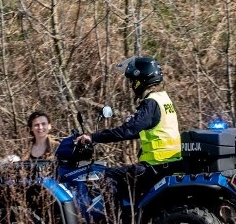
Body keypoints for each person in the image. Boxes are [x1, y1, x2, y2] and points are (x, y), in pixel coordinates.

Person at [75, 56, 181, 209]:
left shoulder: (150, 103)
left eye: (133, 81)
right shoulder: (164, 100)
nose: (132, 85)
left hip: (154, 167)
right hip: (168, 164)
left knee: (107, 175)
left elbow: (127, 130)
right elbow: (148, 130)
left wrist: (93, 137)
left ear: (141, 79)